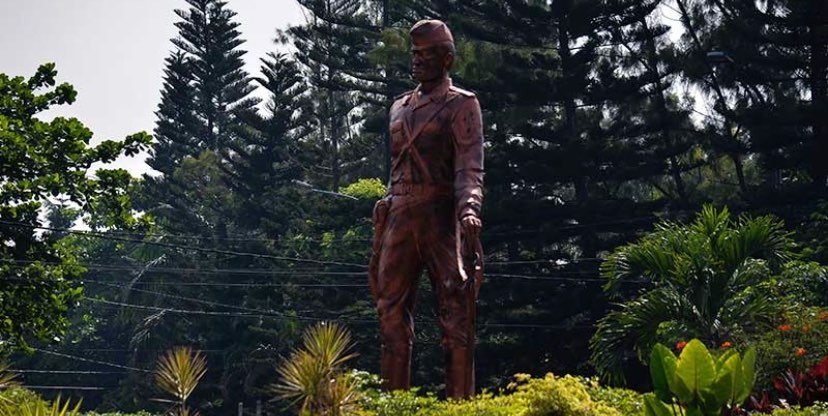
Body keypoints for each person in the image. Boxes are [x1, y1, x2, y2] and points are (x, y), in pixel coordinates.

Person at [367, 19, 485, 399]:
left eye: (425, 55)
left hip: (439, 216)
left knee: (456, 312)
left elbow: (469, 165)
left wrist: (469, 208)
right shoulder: (398, 107)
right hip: (398, 216)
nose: (416, 61)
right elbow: (396, 167)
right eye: (414, 54)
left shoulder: (461, 104)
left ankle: (460, 406)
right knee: (390, 317)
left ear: (446, 59)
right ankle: (395, 406)